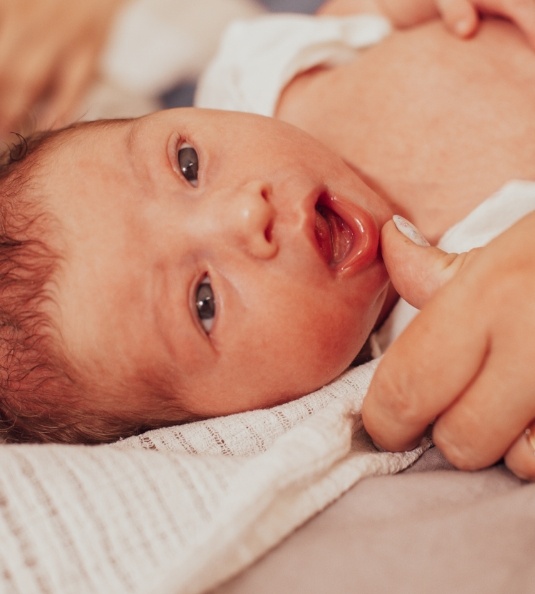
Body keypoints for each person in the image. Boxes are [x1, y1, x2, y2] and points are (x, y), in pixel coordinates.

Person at [1, 0, 534, 481]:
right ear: (239, 419)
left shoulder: (260, 79)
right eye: (203, 302)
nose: (244, 212)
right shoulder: (442, 340)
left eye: (187, 164)